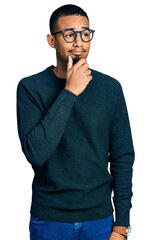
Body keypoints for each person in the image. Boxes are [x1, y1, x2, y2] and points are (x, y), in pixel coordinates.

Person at [16, 4, 135, 240]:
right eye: (69, 35)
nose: (79, 42)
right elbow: (36, 153)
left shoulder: (110, 88)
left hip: (99, 219)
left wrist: (122, 226)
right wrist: (70, 92)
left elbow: (122, 156)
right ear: (52, 40)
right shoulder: (30, 88)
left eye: (85, 34)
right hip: (49, 220)